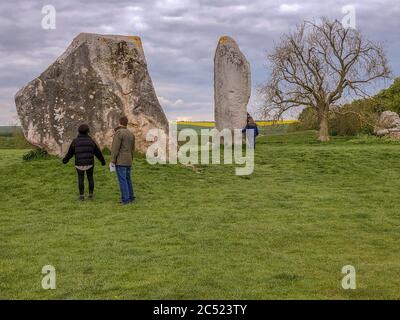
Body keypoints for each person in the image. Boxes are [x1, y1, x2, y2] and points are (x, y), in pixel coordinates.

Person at [62, 124, 106, 201]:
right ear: (88, 131)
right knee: (90, 178)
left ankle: (81, 196)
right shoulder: (91, 141)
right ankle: (91, 195)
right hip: (90, 163)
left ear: (78, 131)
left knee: (80, 179)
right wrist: (102, 161)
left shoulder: (75, 141)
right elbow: (97, 152)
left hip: (79, 164)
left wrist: (65, 160)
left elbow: (70, 153)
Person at [111, 116, 136, 205]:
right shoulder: (131, 134)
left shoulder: (119, 133)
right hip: (129, 160)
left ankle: (126, 199)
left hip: (121, 160)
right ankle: (131, 197)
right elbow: (132, 149)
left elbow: (115, 148)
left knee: (122, 180)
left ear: (119, 122)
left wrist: (112, 160)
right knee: (128, 179)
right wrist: (131, 159)